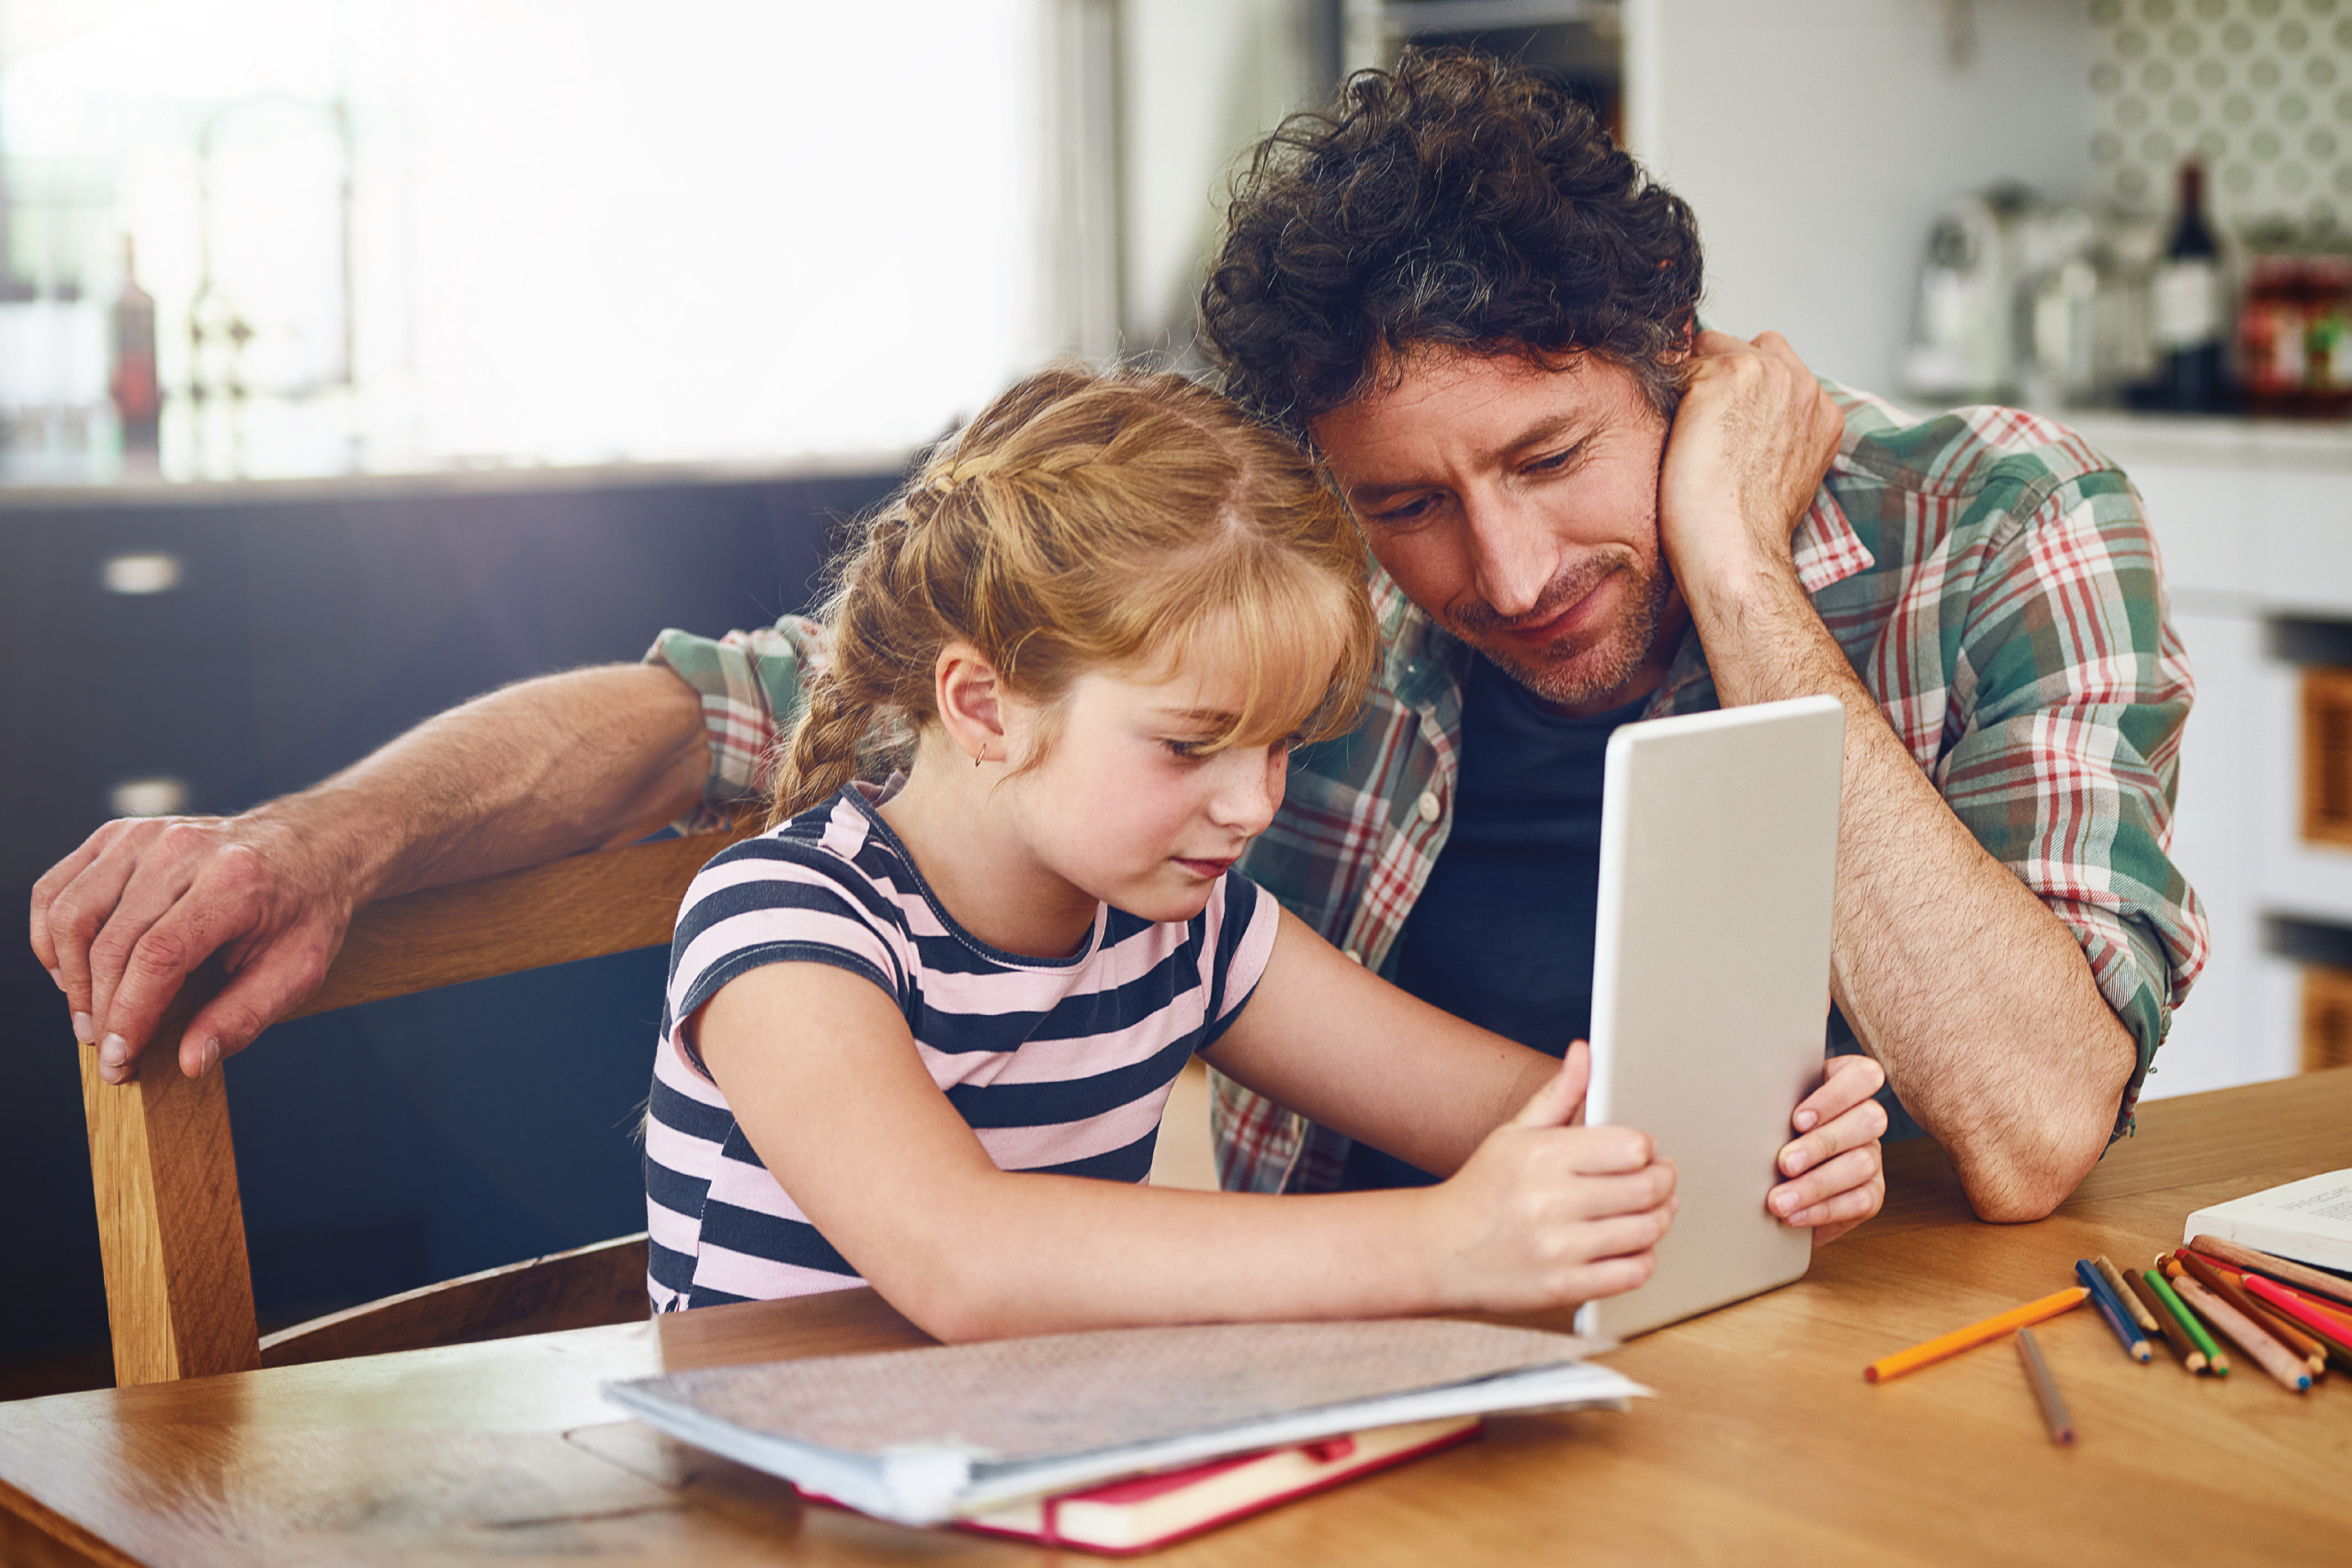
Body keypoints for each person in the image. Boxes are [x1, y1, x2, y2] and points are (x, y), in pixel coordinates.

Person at [31, 51, 2189, 1224]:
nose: (1503, 567)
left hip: (1795, 1315)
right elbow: (715, 707)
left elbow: (2017, 1134)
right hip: (1414, 1352)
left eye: (1551, 457)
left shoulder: (1989, 523)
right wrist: (332, 834)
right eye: (1406, 503)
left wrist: (1732, 569)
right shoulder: (1258, 597)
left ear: (1687, 365)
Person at [644, 364, 1881, 1337]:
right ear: (984, 709)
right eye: (1191, 746)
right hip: (765, 1511)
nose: (1250, 805)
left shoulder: (1187, 929)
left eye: (1283, 742)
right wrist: (1440, 1242)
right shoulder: (784, 924)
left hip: (1038, 1473)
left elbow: (1538, 1119)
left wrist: (1759, 1156)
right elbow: (962, 1259)